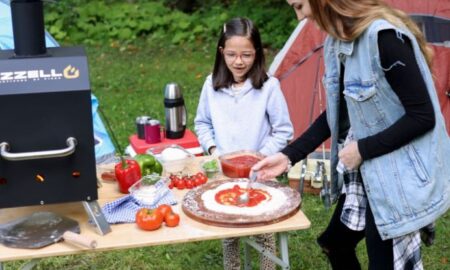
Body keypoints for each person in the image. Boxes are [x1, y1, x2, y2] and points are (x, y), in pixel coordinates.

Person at [252, 0, 450, 269]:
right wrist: (288, 156)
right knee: (335, 243)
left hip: (397, 177)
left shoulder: (384, 38)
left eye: (299, 6)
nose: (299, 18)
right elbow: (338, 111)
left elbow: (423, 117)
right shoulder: (338, 43)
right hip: (367, 170)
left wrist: (361, 150)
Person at [194, 17, 293, 270]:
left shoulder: (269, 87)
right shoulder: (211, 85)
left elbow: (284, 130)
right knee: (229, 231)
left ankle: (267, 267)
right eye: (232, 54)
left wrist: (261, 156)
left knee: (263, 229)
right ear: (221, 53)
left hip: (259, 172)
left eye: (246, 55)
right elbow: (202, 123)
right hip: (224, 172)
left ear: (257, 53)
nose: (239, 61)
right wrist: (214, 150)